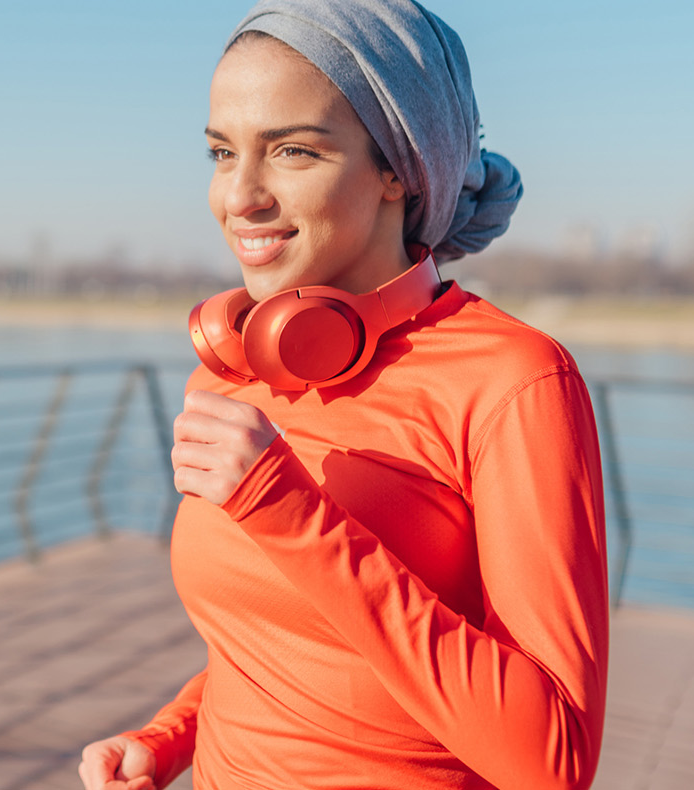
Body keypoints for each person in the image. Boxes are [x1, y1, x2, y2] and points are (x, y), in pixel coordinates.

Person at [77, 1, 608, 788]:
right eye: (223, 153)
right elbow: (285, 642)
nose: (240, 196)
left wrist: (286, 509)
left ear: (397, 166)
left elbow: (552, 761)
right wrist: (169, 736)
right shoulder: (236, 369)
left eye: (292, 151)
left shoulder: (514, 380)